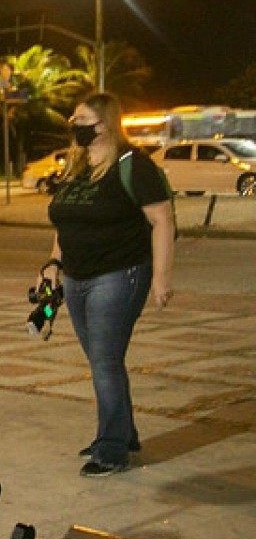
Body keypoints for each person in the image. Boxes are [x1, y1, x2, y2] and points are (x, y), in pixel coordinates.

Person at [38, 92, 175, 478]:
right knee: (103, 360)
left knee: (104, 361)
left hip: (120, 274)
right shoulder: (77, 167)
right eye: (73, 118)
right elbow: (66, 225)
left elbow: (162, 221)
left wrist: (161, 278)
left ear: (104, 123)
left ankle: (112, 449)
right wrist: (52, 264)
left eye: (80, 118)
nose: (73, 124)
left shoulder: (134, 166)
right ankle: (124, 433)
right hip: (77, 277)